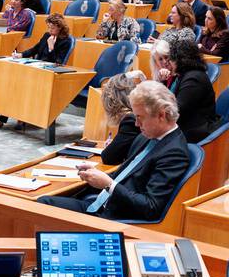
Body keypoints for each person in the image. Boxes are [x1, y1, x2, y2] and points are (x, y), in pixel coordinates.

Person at [37, 80, 190, 222]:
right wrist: (97, 175)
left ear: (161, 115)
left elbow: (151, 206)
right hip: (101, 204)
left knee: (41, 207)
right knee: (41, 202)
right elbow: (126, 175)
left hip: (115, 219)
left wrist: (109, 184)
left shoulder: (174, 153)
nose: (136, 124)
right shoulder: (148, 137)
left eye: (140, 117)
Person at [0, 15, 74, 130]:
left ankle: (12, 120)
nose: (49, 30)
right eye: (48, 27)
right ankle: (5, 120)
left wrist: (51, 48)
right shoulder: (47, 35)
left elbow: (58, 63)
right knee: (13, 85)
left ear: (60, 27)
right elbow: (35, 49)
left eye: (52, 28)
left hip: (48, 75)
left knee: (20, 86)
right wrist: (20, 55)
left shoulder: (66, 41)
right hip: (35, 69)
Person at [150, 31, 220, 143]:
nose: (169, 64)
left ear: (180, 60)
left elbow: (175, 112)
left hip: (193, 131)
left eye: (171, 59)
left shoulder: (193, 79)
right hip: (187, 125)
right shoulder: (187, 74)